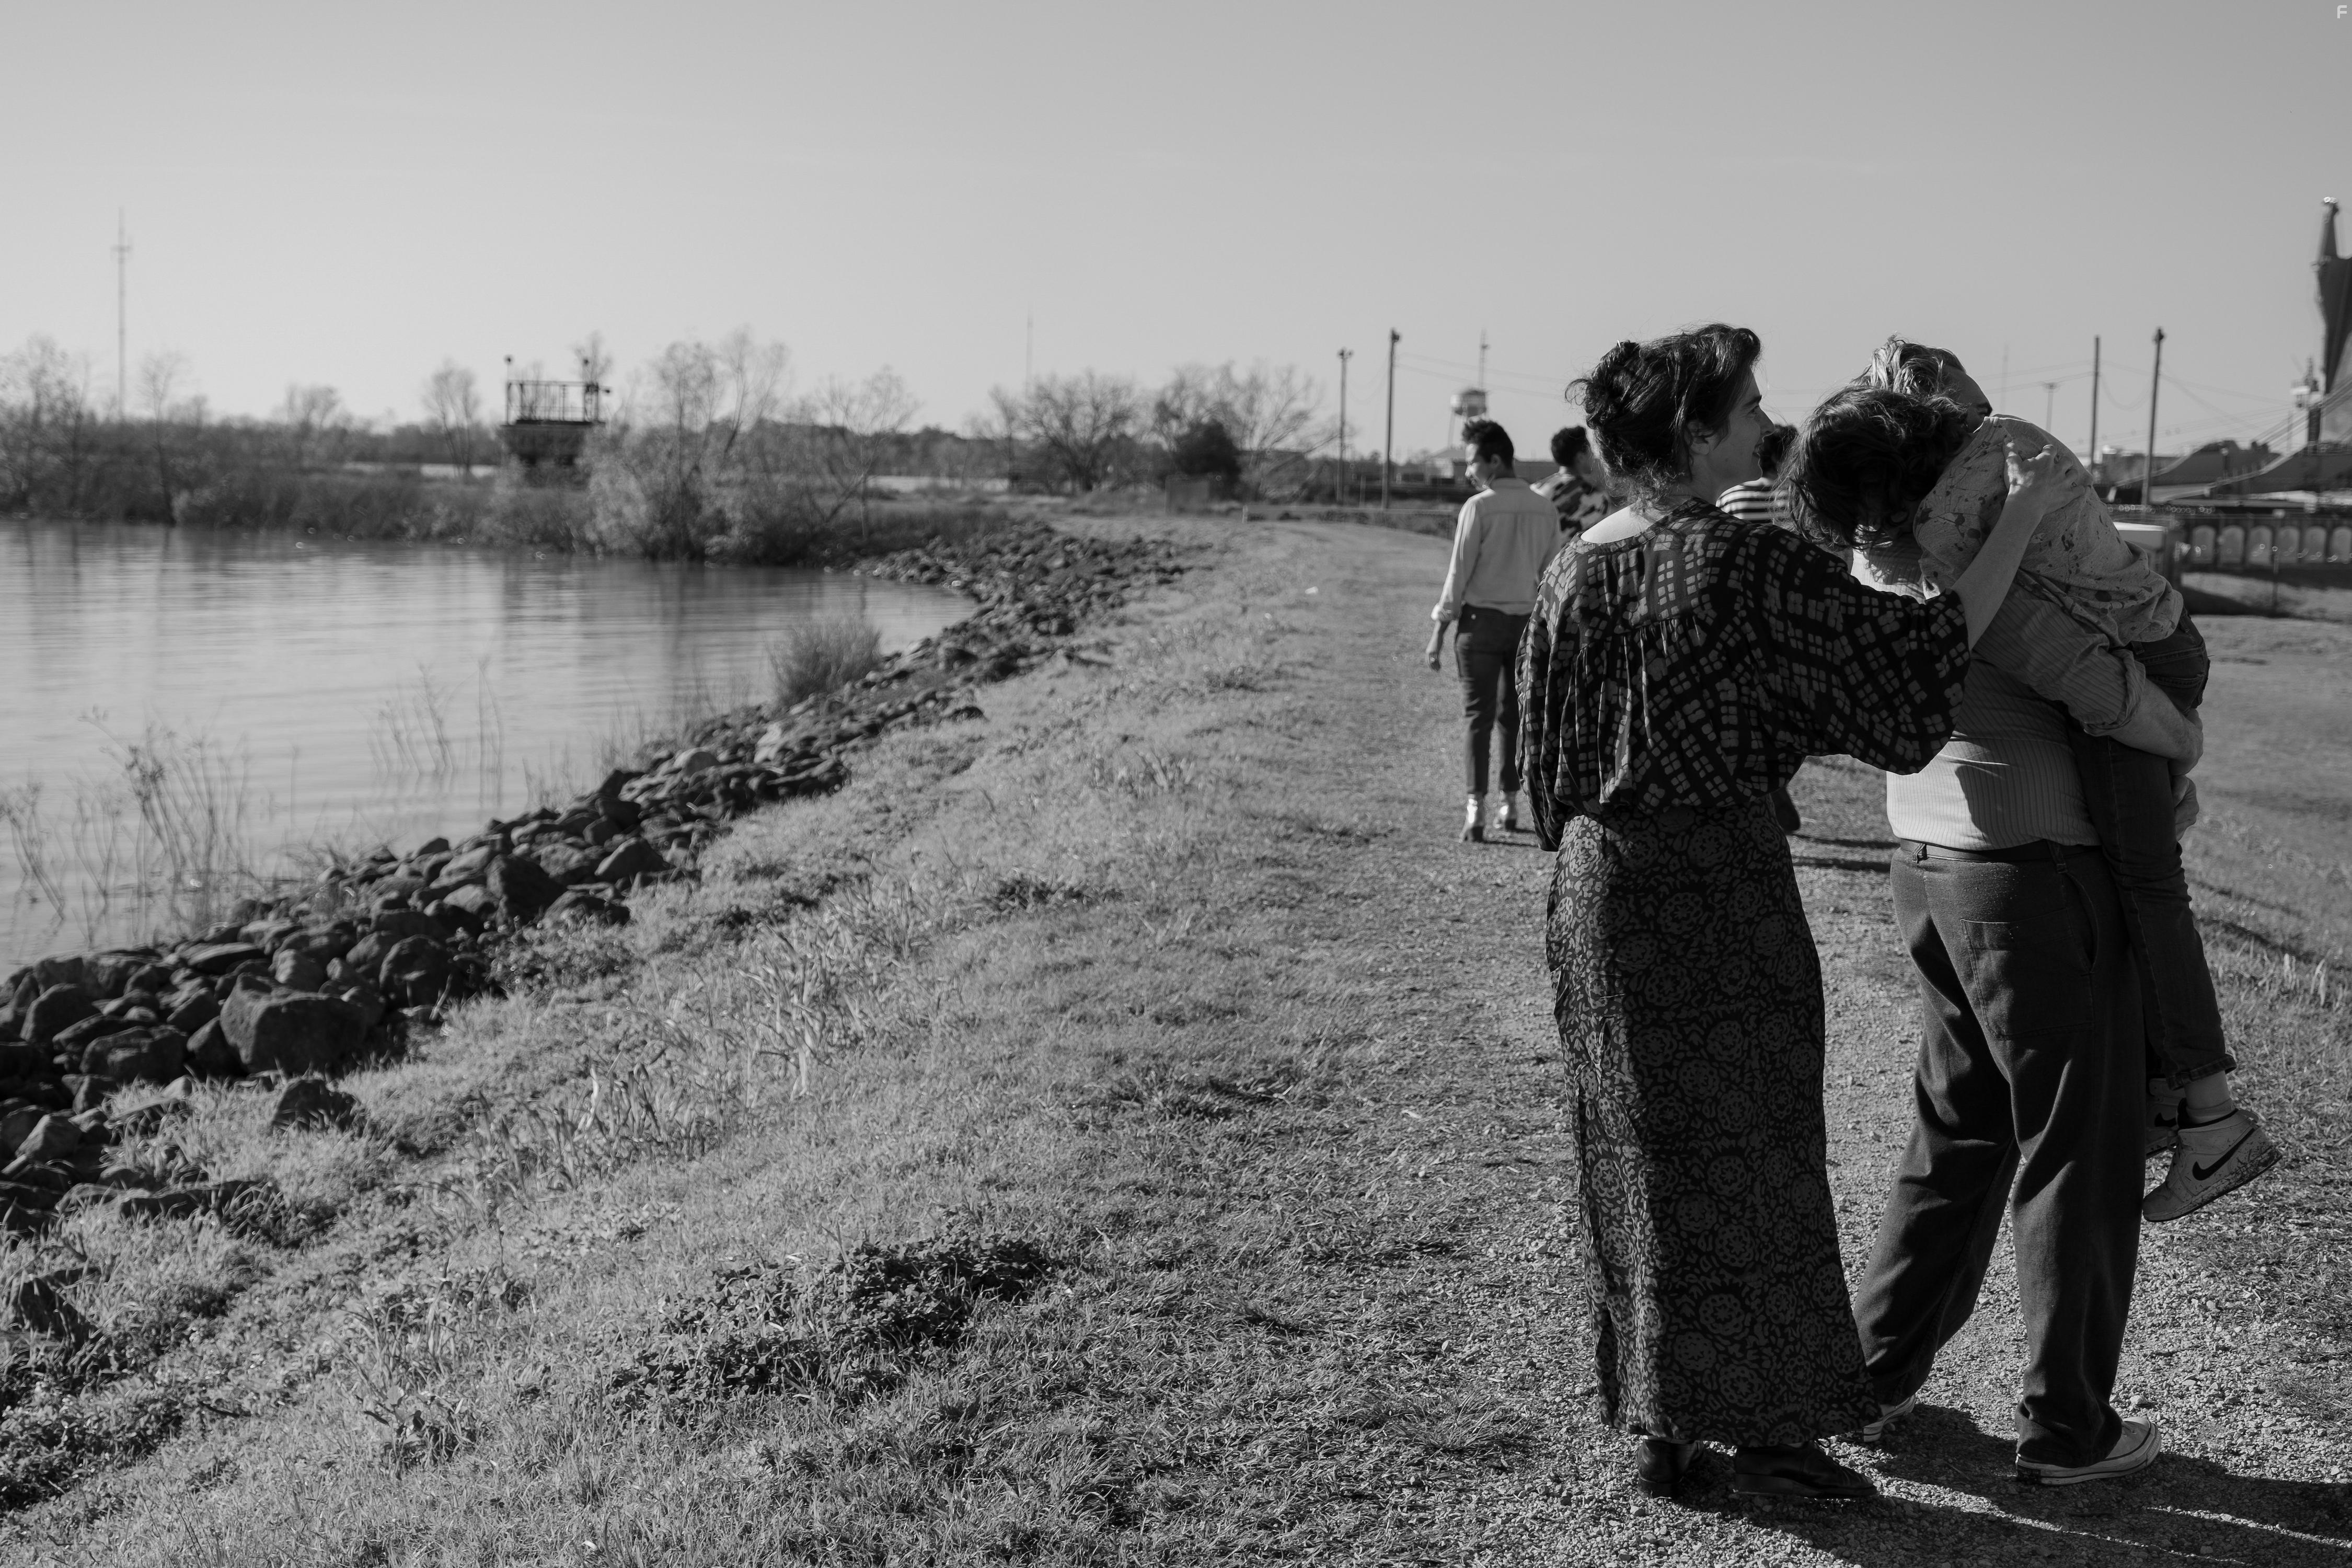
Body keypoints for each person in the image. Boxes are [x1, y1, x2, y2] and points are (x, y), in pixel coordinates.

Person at [1518, 324, 2056, 1499]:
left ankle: (1665, 1425)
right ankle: (1770, 1436)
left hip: (1598, 889)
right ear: (1698, 432)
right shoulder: (1742, 561)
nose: (1770, 423)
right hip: (1717, 884)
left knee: (1638, 1158)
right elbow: (1906, 657)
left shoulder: (1576, 562)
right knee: (1758, 1159)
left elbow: (1543, 772)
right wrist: (2016, 521)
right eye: (1752, 406)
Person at [1782, 384, 2209, 1484]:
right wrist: (2181, 745)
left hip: (1927, 868)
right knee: (2077, 1153)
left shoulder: (1869, 568)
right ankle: (2069, 1429)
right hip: (2035, 874)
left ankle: (1869, 1378)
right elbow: (2106, 692)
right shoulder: (1984, 569)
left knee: (1956, 1139)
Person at [1795, 340, 2275, 1223]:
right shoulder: (2001, 455)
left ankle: (2212, 1118)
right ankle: (2174, 1098)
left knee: (2148, 881)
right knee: (2144, 871)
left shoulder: (1944, 528)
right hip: (2157, 642)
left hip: (2138, 662)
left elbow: (2075, 673)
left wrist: (2177, 747)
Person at [1426, 418, 1559, 843]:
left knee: (1477, 718)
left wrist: (1439, 631)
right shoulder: (1545, 509)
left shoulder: (1478, 508)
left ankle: (1475, 810)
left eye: (1472, 462)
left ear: (1495, 461)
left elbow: (1458, 574)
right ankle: (1510, 804)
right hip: (1524, 626)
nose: (1469, 471)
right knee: (1515, 718)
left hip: (1479, 624)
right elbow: (1552, 577)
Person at [1532, 425, 1612, 536]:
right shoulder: (1598, 498)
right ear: (1580, 457)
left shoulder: (1535, 490)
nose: (1593, 455)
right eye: (1590, 450)